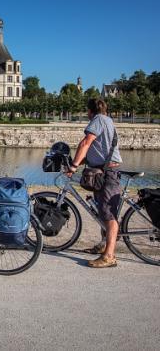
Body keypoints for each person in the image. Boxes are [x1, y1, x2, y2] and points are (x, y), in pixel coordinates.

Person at [67, 98, 122, 268]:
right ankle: (104, 244)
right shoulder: (107, 120)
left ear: (90, 111)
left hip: (108, 173)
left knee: (108, 214)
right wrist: (79, 162)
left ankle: (109, 256)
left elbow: (86, 143)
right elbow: (96, 149)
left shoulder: (97, 120)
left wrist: (74, 166)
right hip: (103, 170)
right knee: (102, 210)